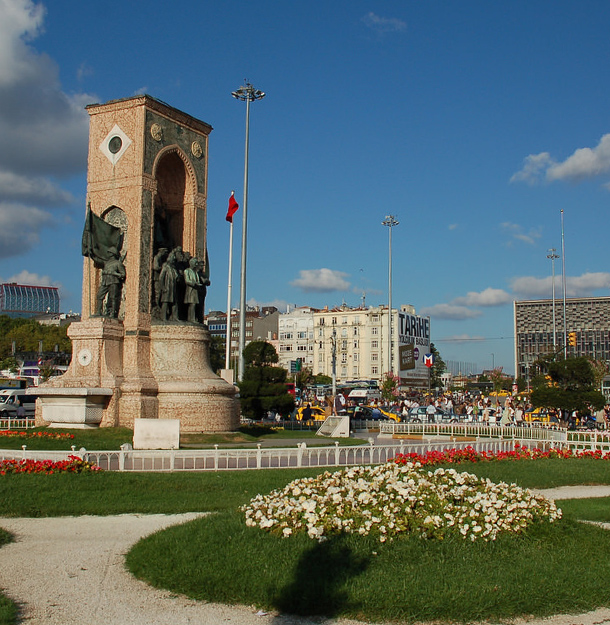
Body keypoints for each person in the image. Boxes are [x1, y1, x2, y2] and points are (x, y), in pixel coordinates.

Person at [95, 248, 126, 318]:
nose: (108, 254)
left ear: (112, 254)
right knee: (99, 295)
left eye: (109, 252)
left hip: (113, 281)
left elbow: (123, 274)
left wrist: (114, 273)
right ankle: (99, 311)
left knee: (113, 297)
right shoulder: (107, 263)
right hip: (105, 281)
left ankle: (112, 313)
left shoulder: (118, 263)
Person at [159, 250, 179, 321]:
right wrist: (163, 287)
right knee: (165, 302)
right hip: (167, 287)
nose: (173, 260)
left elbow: (176, 277)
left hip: (173, 287)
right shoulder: (165, 266)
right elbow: (161, 277)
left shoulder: (173, 268)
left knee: (174, 303)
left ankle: (175, 317)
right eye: (173, 258)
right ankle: (163, 317)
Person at [183, 257, 203, 323]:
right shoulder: (187, 271)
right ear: (191, 263)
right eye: (195, 263)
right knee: (192, 304)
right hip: (190, 290)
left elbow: (197, 280)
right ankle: (191, 319)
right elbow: (187, 280)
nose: (196, 264)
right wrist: (194, 283)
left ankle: (193, 318)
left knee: (194, 305)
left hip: (195, 290)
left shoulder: (195, 272)